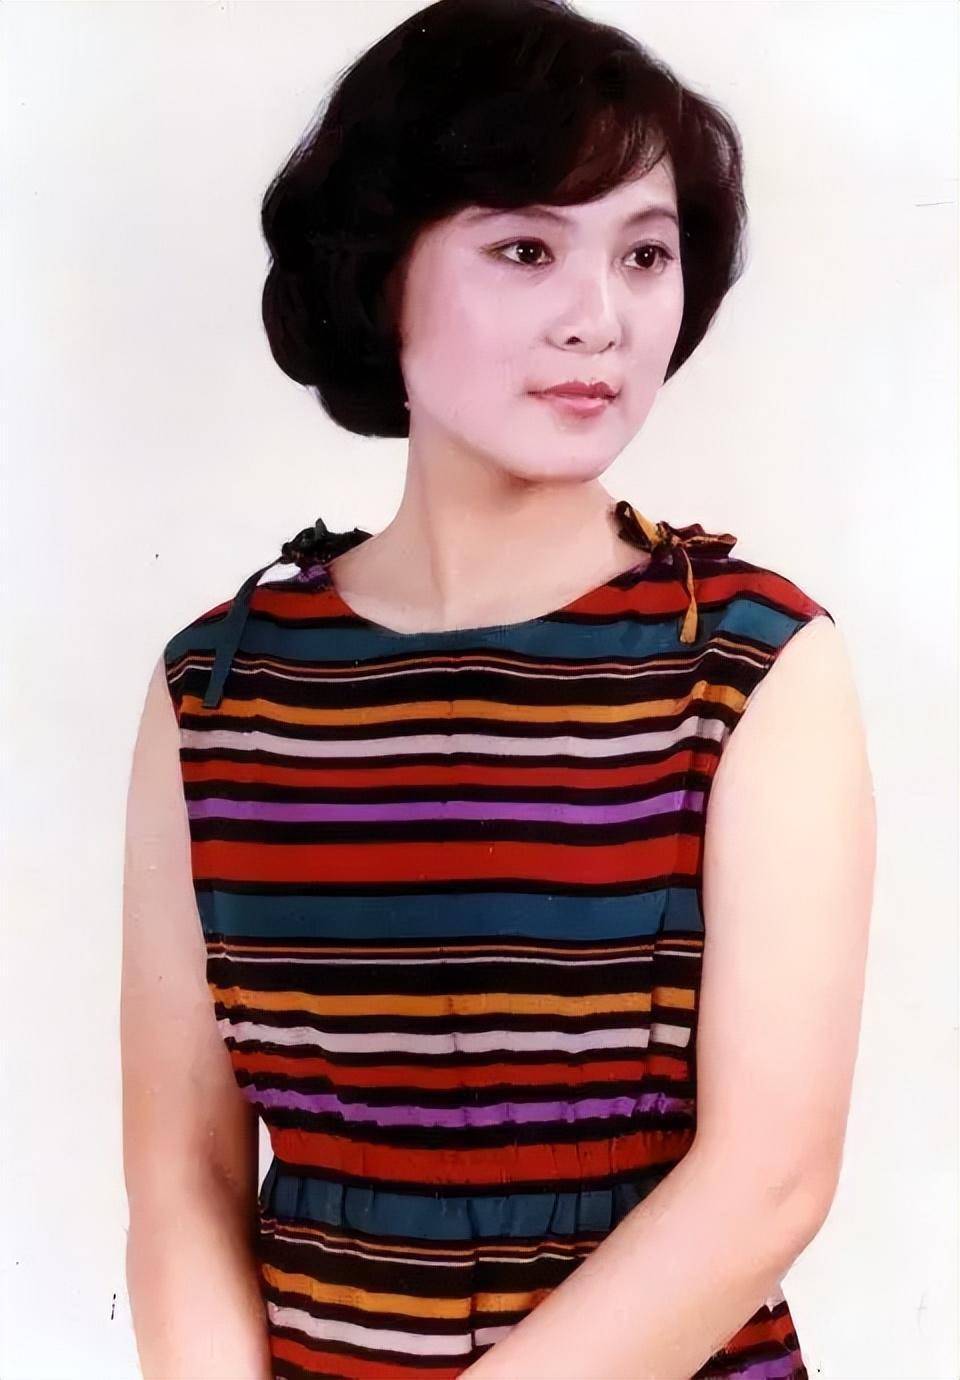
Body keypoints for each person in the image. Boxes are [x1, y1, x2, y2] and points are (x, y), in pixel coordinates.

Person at [121, 1, 876, 1377]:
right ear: (380, 272)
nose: (601, 319)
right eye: (527, 248)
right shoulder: (220, 686)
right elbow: (184, 1177)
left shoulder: (750, 661)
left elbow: (765, 1185)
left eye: (645, 254)